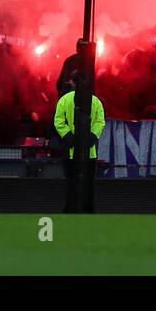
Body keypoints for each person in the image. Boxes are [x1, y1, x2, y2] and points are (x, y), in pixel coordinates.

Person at [54, 74, 105, 212]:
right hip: (90, 153)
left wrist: (69, 137)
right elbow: (100, 121)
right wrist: (92, 137)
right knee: (89, 184)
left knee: (71, 184)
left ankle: (70, 211)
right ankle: (89, 211)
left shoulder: (64, 100)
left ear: (73, 83)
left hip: (70, 152)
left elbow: (58, 121)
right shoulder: (95, 101)